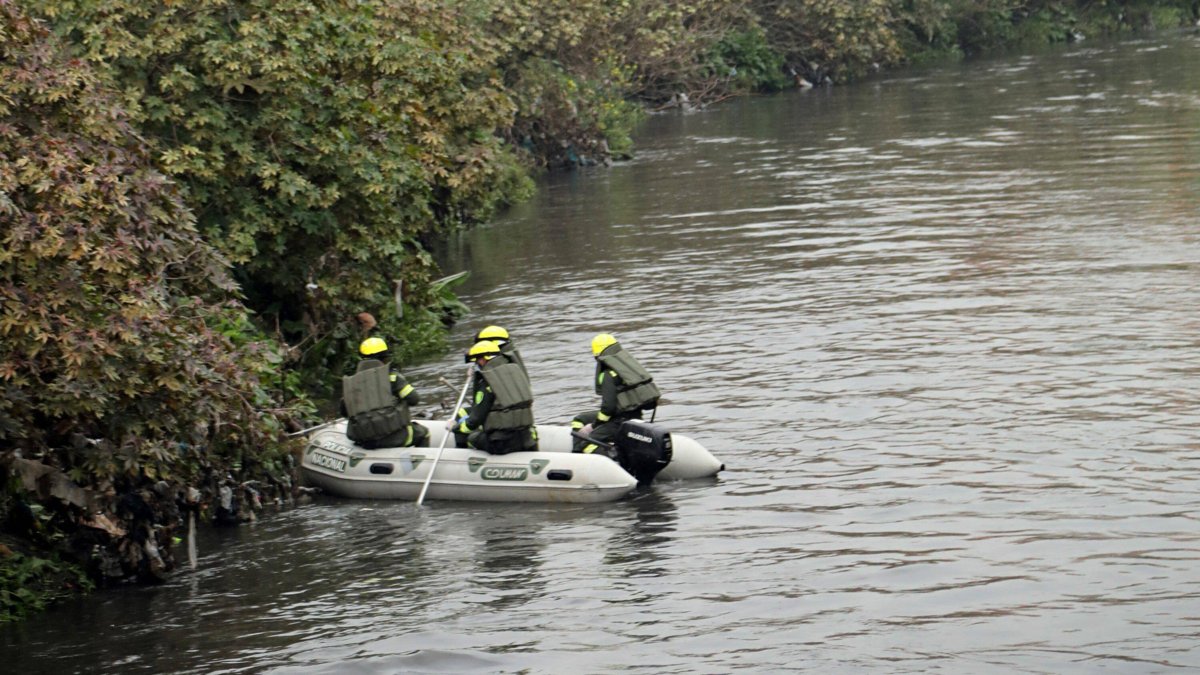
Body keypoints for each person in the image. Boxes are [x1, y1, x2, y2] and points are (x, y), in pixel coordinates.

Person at [572, 333, 661, 455]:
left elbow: (608, 408)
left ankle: (581, 455)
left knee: (585, 442)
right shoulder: (628, 370)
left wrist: (594, 426)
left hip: (618, 422)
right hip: (635, 417)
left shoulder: (608, 374)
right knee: (580, 419)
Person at [448, 340, 538, 454]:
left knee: (472, 437)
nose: (477, 364)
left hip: (502, 444)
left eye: (477, 360)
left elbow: (474, 421)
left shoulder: (487, 381)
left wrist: (455, 428)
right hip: (527, 439)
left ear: (483, 359)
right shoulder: (516, 372)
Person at [339, 337, 430, 449]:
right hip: (391, 437)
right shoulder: (392, 377)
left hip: (363, 440)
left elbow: (344, 412)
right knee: (424, 433)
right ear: (384, 358)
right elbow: (414, 399)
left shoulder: (352, 382)